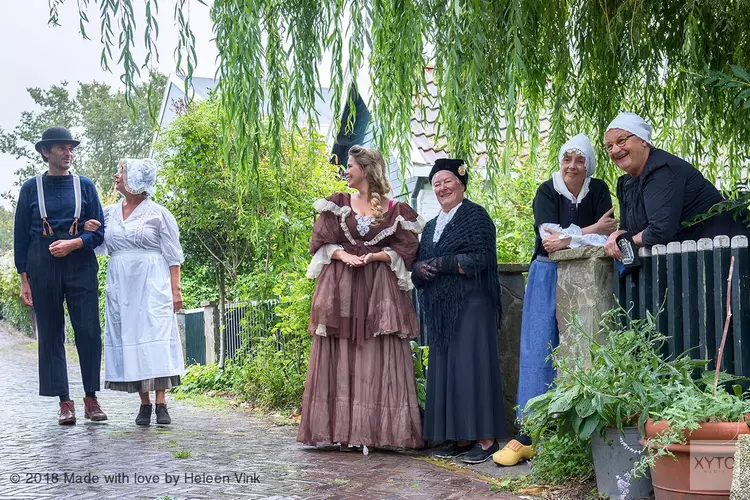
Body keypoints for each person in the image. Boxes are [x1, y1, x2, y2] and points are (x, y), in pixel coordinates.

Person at [493, 134, 616, 466]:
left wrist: (569, 236)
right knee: (538, 346)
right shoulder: (546, 191)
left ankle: (568, 433)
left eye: (580, 160)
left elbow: (607, 234)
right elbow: (550, 244)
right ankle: (528, 433)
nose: (573, 166)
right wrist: (585, 231)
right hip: (547, 274)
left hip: (588, 277)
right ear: (560, 161)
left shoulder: (599, 189)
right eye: (567, 159)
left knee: (584, 347)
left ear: (588, 164)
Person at [297, 145, 424, 450]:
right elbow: (321, 244)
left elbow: (407, 250)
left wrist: (376, 256)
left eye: (350, 165)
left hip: (379, 290)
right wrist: (342, 254)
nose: (346, 170)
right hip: (340, 287)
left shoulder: (395, 211)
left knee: (376, 352)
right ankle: (341, 429)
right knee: (341, 352)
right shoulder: (337, 205)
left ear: (365, 170)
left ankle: (380, 432)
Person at [411, 158, 506, 464]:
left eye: (447, 181)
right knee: (449, 374)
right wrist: (419, 271)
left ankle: (486, 439)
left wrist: (441, 264)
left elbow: (481, 258)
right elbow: (419, 259)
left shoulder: (476, 216)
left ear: (462, 183)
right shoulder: (432, 225)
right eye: (436, 183)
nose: (442, 188)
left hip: (471, 304)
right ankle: (460, 437)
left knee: (472, 370)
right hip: (442, 310)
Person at [13, 126, 107, 425]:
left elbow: (101, 231)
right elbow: (20, 238)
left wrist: (77, 242)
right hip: (42, 260)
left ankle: (91, 396)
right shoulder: (31, 188)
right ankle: (64, 401)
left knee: (89, 329)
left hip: (79, 261)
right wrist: (24, 278)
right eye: (62, 148)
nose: (69, 153)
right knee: (51, 333)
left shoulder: (85, 186)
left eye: (71, 148)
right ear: (46, 152)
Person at [84, 159, 185, 426]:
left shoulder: (159, 214)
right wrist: (91, 229)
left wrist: (176, 289)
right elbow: (99, 244)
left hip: (152, 281)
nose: (116, 176)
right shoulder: (109, 213)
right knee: (131, 335)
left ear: (136, 180)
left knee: (155, 334)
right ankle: (144, 403)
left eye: (122, 172)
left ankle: (162, 403)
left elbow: (173, 254)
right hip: (122, 284)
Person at [603, 111, 747, 259]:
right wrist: (615, 236)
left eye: (621, 141)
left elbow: (660, 231)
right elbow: (627, 228)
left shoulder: (662, 170)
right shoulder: (625, 183)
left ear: (643, 140)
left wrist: (627, 243)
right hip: (689, 257)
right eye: (609, 146)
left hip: (725, 248)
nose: (615, 150)